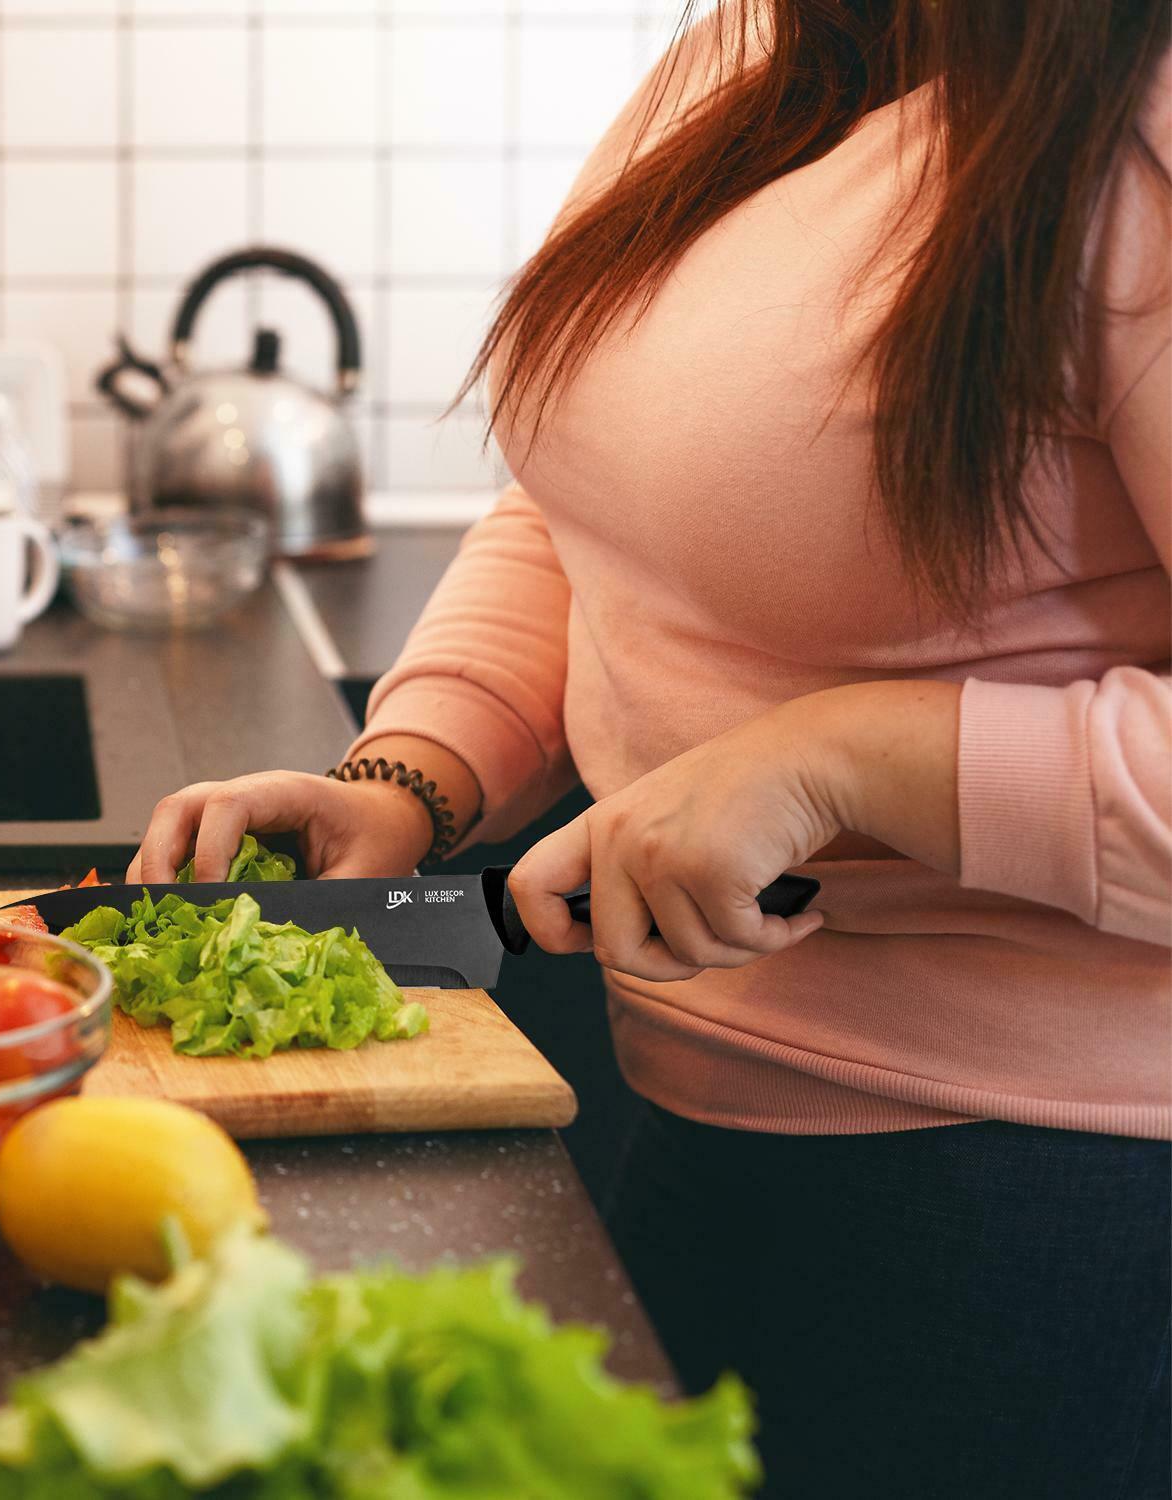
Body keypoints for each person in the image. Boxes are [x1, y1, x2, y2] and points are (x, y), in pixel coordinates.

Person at [131, 4, 1171, 1494]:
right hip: (685, 1103)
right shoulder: (759, 47)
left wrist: (851, 759)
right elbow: (593, 507)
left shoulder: (1134, 120)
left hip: (1044, 1201)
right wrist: (416, 772)